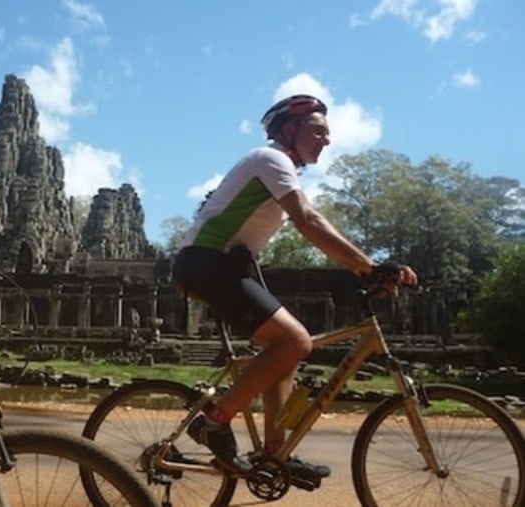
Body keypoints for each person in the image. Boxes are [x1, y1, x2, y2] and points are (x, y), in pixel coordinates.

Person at [172, 94, 418, 487]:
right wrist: (368, 267)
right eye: (317, 131)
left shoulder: (280, 168)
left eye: (327, 133)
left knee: (286, 351)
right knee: (296, 342)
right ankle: (213, 423)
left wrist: (361, 269)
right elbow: (309, 221)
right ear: (289, 131)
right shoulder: (271, 161)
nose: (326, 140)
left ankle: (274, 453)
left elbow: (313, 224)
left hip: (226, 264)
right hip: (207, 261)